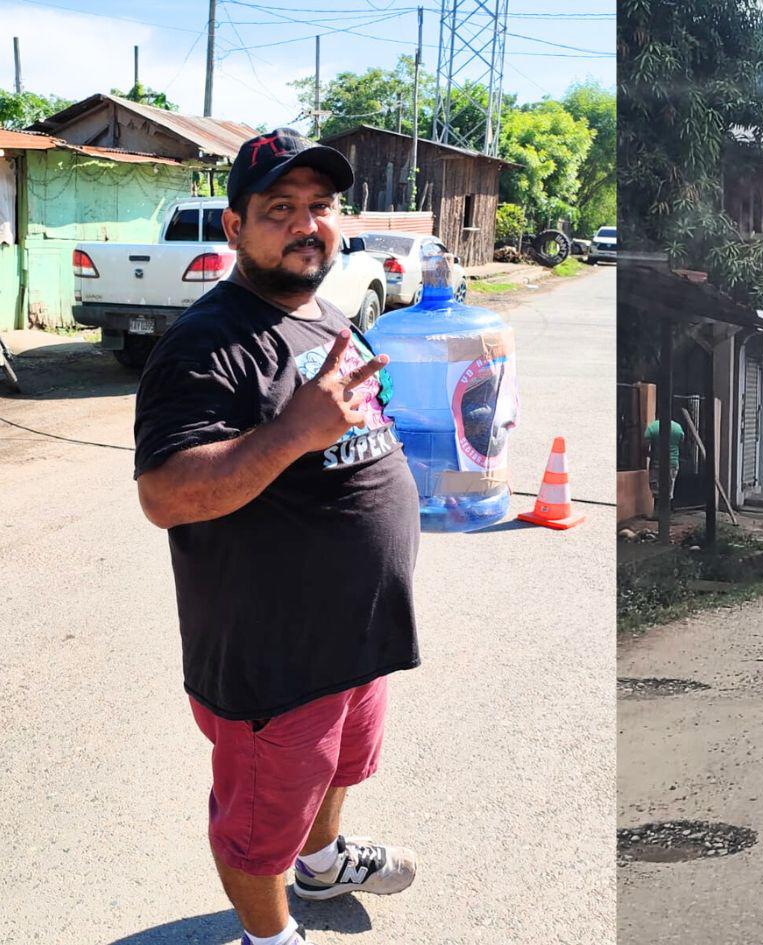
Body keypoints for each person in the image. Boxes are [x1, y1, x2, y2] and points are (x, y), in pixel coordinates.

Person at [133, 129, 420, 945]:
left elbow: (353, 427)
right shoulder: (203, 342)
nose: (307, 224)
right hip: (276, 657)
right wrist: (294, 432)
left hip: (358, 631)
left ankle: (323, 860)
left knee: (341, 762)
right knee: (258, 829)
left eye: (321, 206)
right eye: (280, 209)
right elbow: (165, 493)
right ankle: (271, 935)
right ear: (233, 228)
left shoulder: (324, 311)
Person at [643, 416, 684, 516]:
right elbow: (681, 443)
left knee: (655, 485)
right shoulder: (678, 427)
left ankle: (657, 511)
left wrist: (649, 454)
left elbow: (645, 445)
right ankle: (667, 513)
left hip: (657, 462)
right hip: (673, 462)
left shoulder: (653, 427)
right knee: (669, 485)